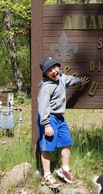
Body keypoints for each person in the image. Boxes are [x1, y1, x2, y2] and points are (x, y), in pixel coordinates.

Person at [37, 56, 89, 188]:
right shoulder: (46, 87)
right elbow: (43, 107)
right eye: (50, 70)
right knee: (47, 147)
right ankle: (47, 175)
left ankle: (63, 169)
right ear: (45, 74)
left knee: (67, 142)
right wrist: (47, 125)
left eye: (55, 67)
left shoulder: (61, 78)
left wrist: (79, 82)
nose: (54, 71)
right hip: (49, 118)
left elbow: (70, 80)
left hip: (60, 118)